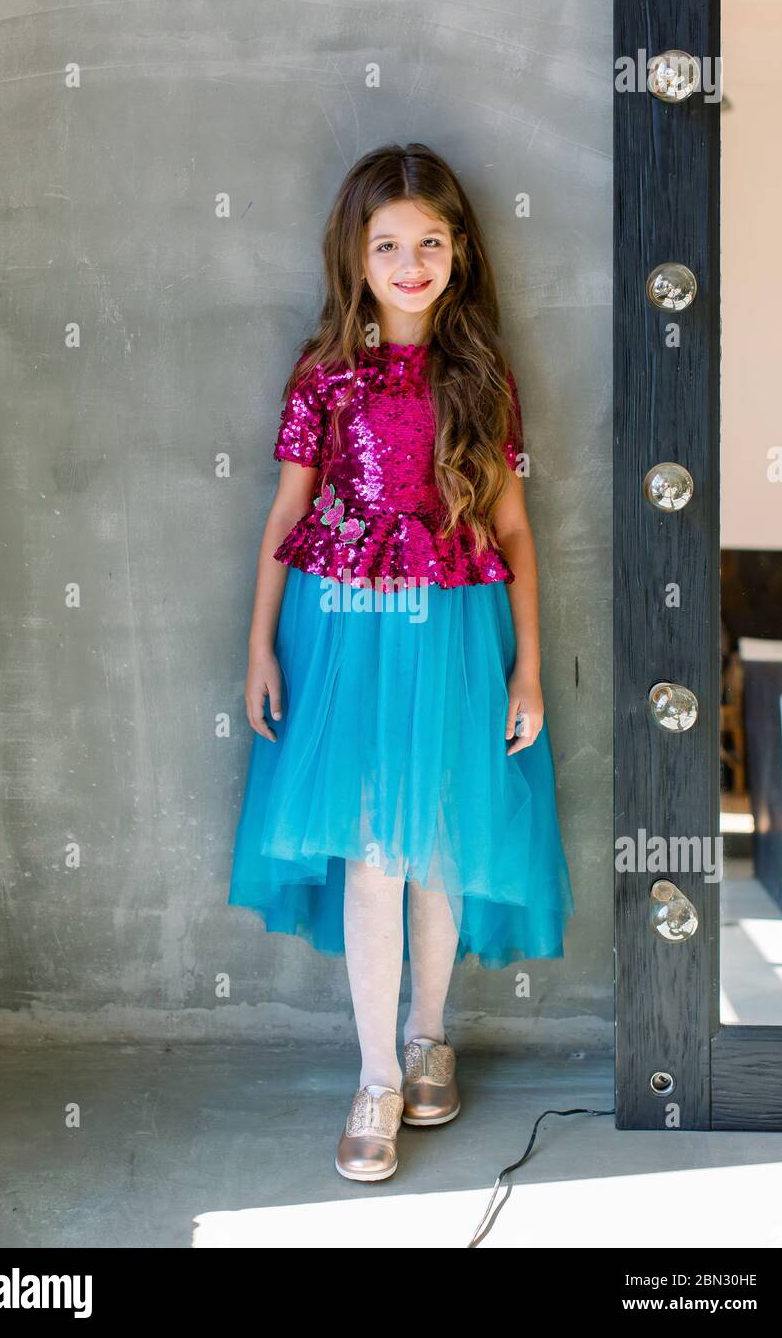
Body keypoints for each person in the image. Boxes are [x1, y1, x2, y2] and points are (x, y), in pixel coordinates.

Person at [228, 142, 574, 1182]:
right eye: (388, 245)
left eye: (429, 241)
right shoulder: (323, 373)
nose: (410, 261)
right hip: (341, 629)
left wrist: (528, 671)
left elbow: (514, 533)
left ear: (458, 251)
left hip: (458, 634)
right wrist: (257, 643)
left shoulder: (480, 378)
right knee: (375, 849)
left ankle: (430, 1033)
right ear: (357, 255)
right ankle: (376, 1071)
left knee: (438, 841)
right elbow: (285, 512)